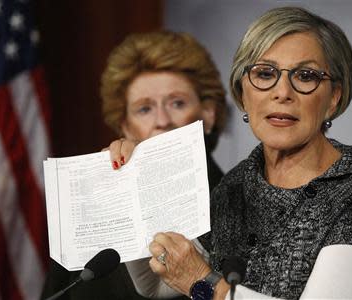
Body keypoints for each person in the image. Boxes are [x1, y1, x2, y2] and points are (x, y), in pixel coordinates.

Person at [110, 7, 352, 300]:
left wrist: (202, 282)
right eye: (265, 74)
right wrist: (132, 189)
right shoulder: (234, 187)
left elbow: (193, 278)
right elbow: (154, 284)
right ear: (243, 92)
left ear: (334, 97)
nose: (282, 92)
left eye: (305, 76)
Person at [41, 30, 227, 300]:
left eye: (177, 103)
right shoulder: (91, 213)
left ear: (207, 115)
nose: (162, 120)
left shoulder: (240, 198)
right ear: (125, 127)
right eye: (144, 109)